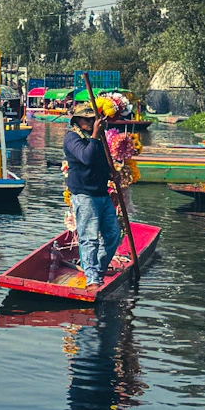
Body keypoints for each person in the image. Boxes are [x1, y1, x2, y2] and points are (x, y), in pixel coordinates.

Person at [64, 105, 121, 287]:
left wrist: (111, 174)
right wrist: (96, 134)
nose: (90, 123)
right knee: (90, 238)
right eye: (86, 119)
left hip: (101, 192)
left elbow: (100, 162)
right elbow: (86, 158)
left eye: (92, 120)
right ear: (77, 120)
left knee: (113, 235)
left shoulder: (97, 138)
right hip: (84, 194)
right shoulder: (72, 137)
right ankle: (92, 278)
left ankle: (97, 269)